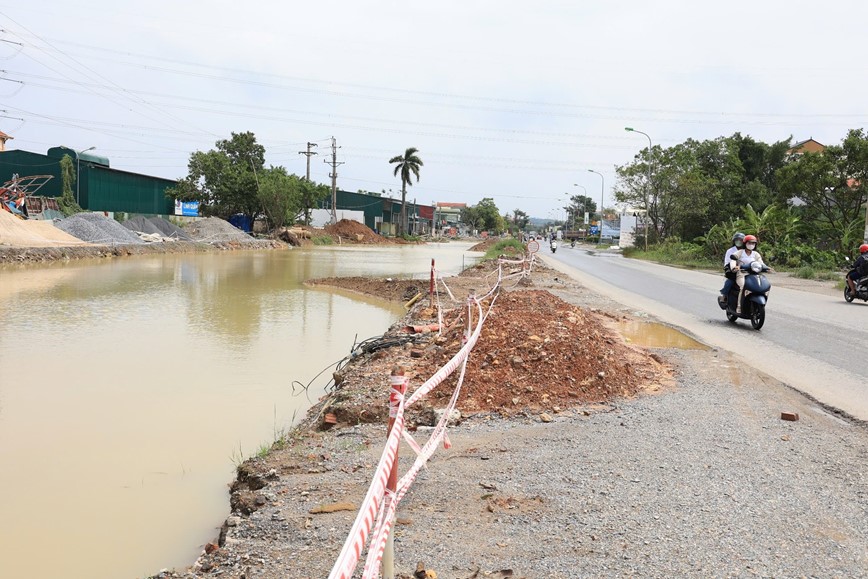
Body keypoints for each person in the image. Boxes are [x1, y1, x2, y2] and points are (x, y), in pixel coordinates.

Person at [730, 234, 768, 314]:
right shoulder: (740, 252)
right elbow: (733, 259)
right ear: (745, 244)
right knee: (743, 286)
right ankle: (739, 307)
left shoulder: (756, 254)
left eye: (753, 243)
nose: (751, 245)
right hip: (742, 274)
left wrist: (767, 268)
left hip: (754, 274)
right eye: (749, 243)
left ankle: (757, 306)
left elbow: (761, 263)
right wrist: (734, 267)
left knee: (764, 286)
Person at [718, 232, 745, 305]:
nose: (739, 241)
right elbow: (727, 262)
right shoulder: (730, 251)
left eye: (741, 240)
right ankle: (723, 296)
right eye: (737, 240)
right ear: (734, 241)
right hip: (734, 270)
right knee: (730, 281)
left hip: (745, 270)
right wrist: (734, 267)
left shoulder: (746, 250)